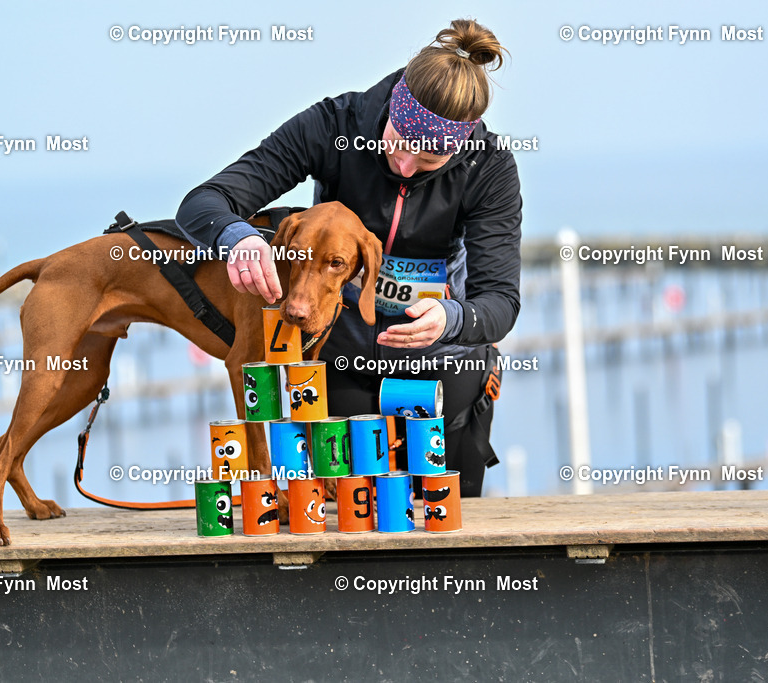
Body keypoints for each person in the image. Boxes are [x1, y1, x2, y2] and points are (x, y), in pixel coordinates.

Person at [176, 18, 522, 496]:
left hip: (443, 359)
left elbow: (501, 301)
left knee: (447, 521)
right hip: (339, 355)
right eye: (399, 143)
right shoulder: (336, 125)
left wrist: (452, 317)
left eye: (428, 160)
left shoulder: (490, 167)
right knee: (341, 515)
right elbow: (202, 203)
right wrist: (238, 236)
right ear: (395, 106)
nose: (404, 166)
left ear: (459, 148)